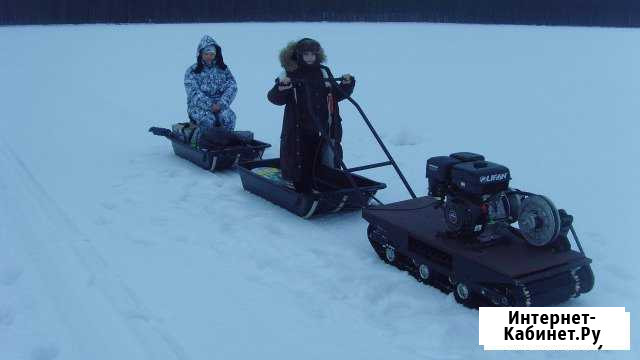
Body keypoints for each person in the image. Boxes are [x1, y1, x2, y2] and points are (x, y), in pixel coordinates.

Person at [267, 38, 355, 193]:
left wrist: (347, 85)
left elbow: (335, 95)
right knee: (302, 158)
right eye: (306, 54)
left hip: (324, 125)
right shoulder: (290, 73)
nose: (309, 57)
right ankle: (299, 183)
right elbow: (275, 98)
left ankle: (324, 181)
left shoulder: (323, 71)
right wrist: (282, 88)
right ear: (299, 55)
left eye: (312, 54)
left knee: (325, 156)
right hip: (299, 128)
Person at [184, 35, 238, 146]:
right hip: (198, 107)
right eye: (206, 54)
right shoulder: (192, 71)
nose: (209, 56)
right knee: (209, 120)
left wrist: (221, 104)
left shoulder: (223, 69)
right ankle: (202, 144)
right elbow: (193, 93)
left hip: (220, 105)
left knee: (229, 117)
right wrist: (210, 105)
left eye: (212, 54)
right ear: (200, 54)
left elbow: (232, 86)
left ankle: (226, 144)